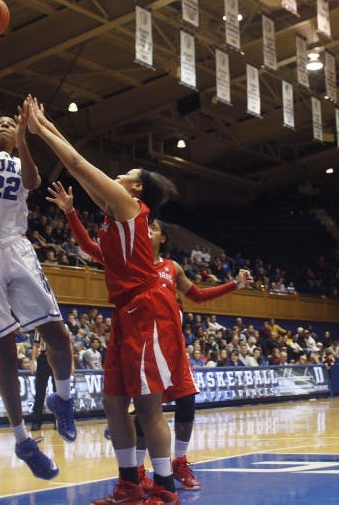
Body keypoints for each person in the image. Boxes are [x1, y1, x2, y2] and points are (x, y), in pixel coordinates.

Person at [24, 94, 180, 504]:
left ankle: (164, 490)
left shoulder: (130, 206)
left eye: (126, 173)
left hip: (146, 310)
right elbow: (81, 181)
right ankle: (130, 484)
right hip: (123, 313)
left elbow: (76, 164)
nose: (118, 175)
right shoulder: (113, 212)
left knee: (148, 408)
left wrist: (40, 129)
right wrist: (44, 123)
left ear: (136, 186)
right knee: (114, 404)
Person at [51, 184, 251, 493]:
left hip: (172, 347)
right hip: (142, 339)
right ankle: (142, 475)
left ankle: (178, 465)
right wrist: (71, 212)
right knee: (143, 411)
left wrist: (233, 285)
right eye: (146, 226)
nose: (147, 230)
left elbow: (197, 295)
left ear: (162, 238)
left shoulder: (172, 267)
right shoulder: (126, 261)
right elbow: (89, 247)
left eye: (153, 228)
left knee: (184, 405)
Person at [0, 22, 75, 481]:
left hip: (18, 250)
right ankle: (23, 439)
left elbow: (33, 182)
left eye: (11, 120)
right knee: (5, 351)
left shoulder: (17, 160)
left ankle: (61, 399)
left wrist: (26, 135)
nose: (5, 122)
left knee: (59, 336)